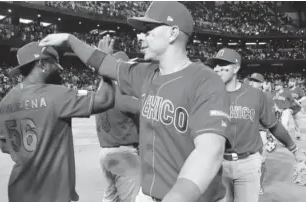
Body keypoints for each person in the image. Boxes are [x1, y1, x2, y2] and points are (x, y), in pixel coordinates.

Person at [39, 2, 231, 202]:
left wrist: (177, 197)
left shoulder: (205, 80)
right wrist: (71, 40)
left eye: (148, 30)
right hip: (151, 195)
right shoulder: (145, 73)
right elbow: (106, 65)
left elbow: (210, 152)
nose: (139, 36)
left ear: (173, 33)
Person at [0, 42, 115, 202]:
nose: (60, 70)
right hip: (52, 193)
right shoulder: (56, 94)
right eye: (55, 64)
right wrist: (105, 62)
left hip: (18, 192)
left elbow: (5, 147)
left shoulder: (3, 104)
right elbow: (105, 99)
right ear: (42, 64)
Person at [206, 48, 306, 202]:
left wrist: (295, 150)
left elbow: (273, 125)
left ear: (236, 68)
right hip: (218, 164)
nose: (217, 68)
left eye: (222, 64)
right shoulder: (208, 94)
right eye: (215, 65)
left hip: (248, 163)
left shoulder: (255, 95)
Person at [95, 51, 141, 202]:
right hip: (124, 155)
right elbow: (150, 111)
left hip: (105, 153)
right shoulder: (123, 94)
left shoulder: (102, 93)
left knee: (111, 197)